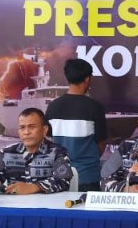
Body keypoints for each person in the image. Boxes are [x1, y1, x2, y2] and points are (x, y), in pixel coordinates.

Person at [45, 58, 108, 192]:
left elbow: (49, 140)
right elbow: (101, 144)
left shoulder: (52, 106)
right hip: (88, 176)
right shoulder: (95, 107)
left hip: (59, 177)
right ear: (87, 79)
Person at [0, 107, 72, 194]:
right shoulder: (7, 152)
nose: (26, 132)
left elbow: (63, 181)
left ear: (44, 130)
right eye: (22, 127)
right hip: (14, 205)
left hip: (46, 206)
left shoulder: (57, 152)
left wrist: (34, 187)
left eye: (32, 127)